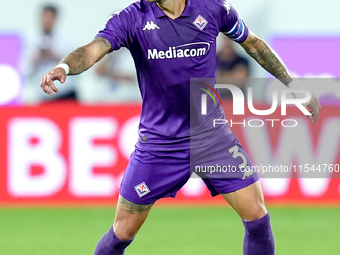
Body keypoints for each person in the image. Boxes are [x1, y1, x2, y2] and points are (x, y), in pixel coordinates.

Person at [40, 0, 321, 254]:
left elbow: (254, 45)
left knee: (258, 218)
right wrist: (64, 67)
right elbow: (92, 50)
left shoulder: (213, 9)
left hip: (212, 139)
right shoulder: (132, 17)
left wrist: (293, 85)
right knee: (122, 233)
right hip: (160, 145)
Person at [25, 4, 78, 103]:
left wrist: (56, 57)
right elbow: (25, 71)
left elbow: (78, 66)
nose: (47, 20)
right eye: (44, 17)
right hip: (44, 96)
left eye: (50, 17)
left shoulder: (68, 39)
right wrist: (36, 58)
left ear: (56, 18)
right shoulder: (31, 40)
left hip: (66, 93)